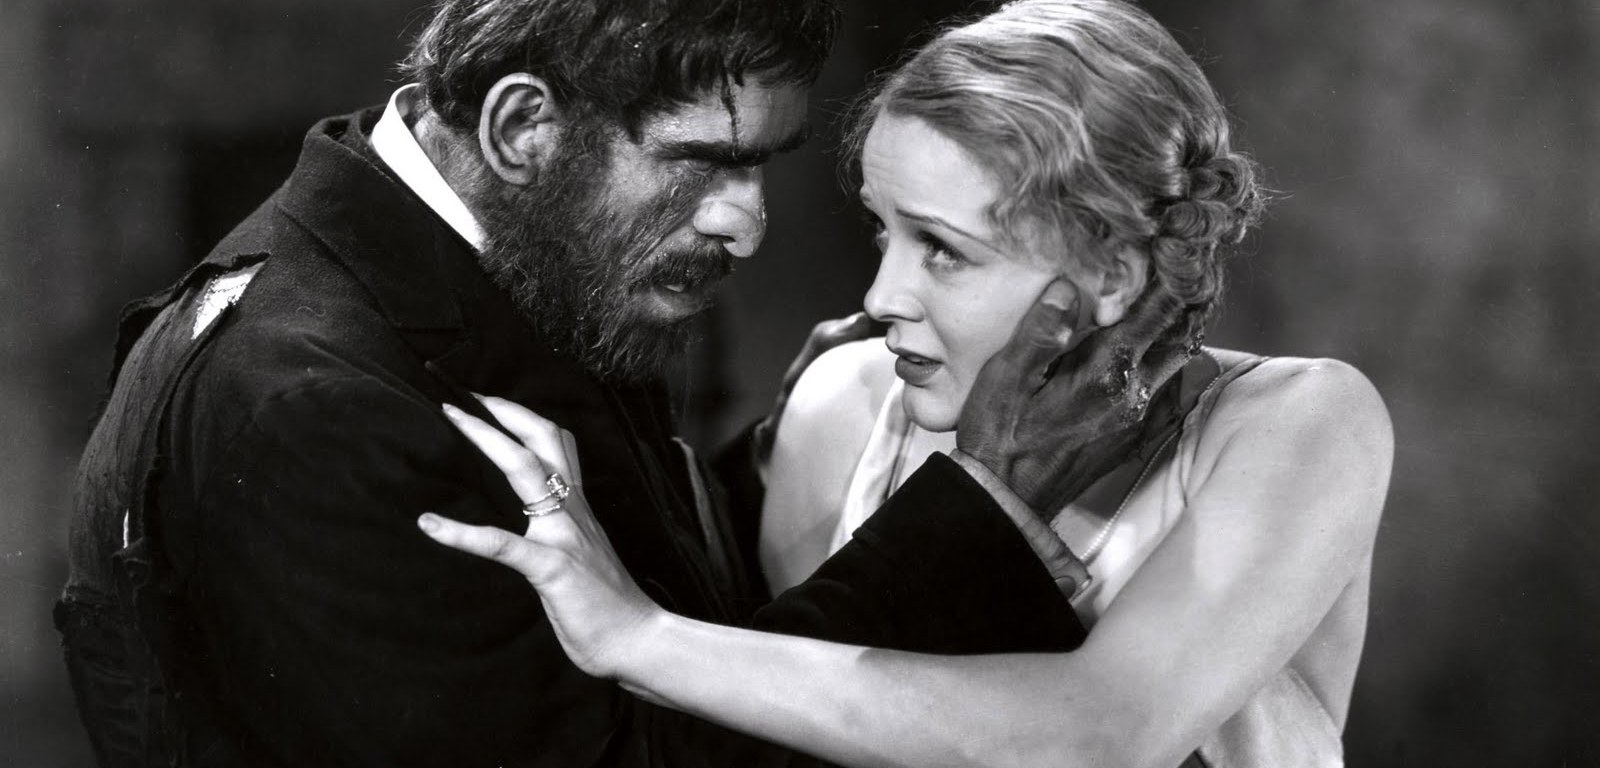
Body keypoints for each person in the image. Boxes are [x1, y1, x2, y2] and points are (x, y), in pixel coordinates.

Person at [55, 1, 1177, 766]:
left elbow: (560, 631)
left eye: (761, 166)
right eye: (705, 162)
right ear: (522, 128)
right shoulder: (313, 407)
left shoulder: (486, 273)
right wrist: (980, 506)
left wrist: (777, 465)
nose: (744, 224)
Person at [420, 1, 1395, 766]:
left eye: (944, 249)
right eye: (884, 231)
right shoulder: (844, 404)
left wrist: (634, 638)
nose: (882, 296)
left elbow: (1101, 737)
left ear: (1112, 269)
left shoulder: (1296, 424)